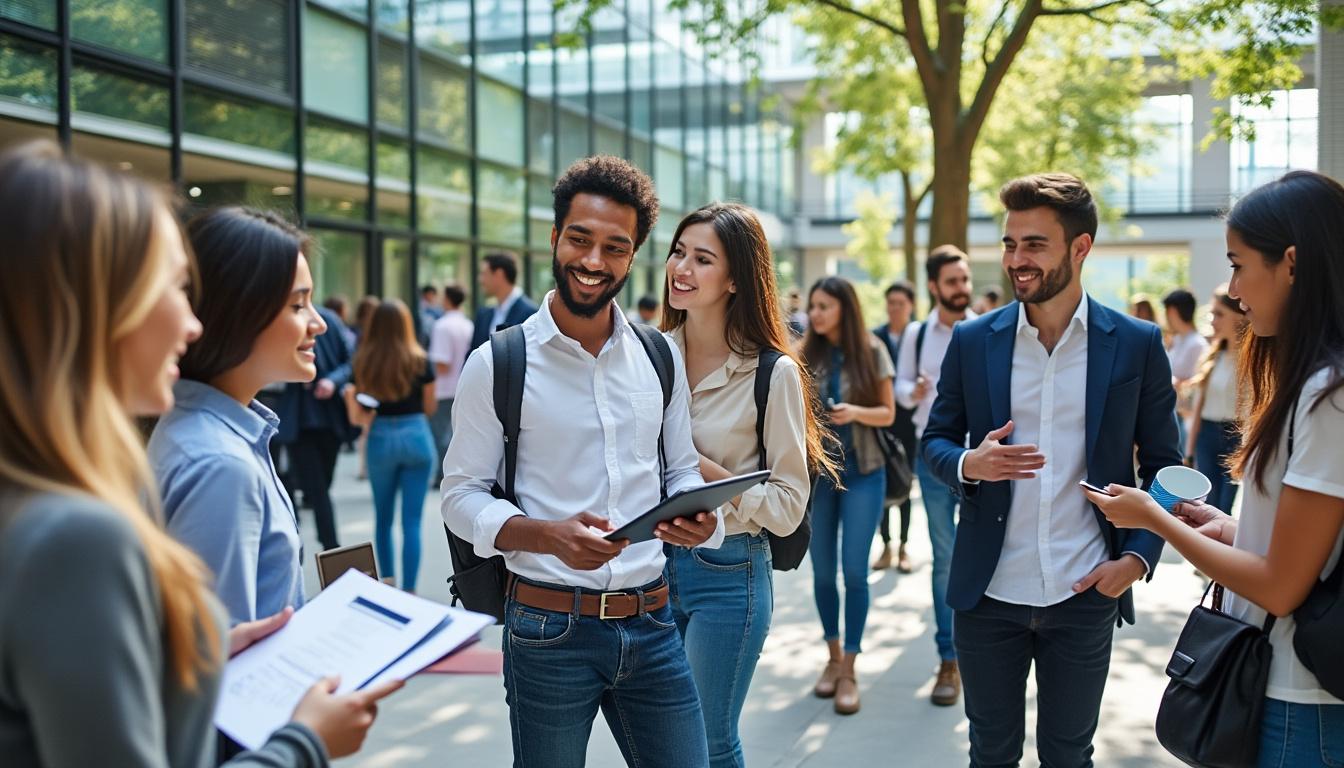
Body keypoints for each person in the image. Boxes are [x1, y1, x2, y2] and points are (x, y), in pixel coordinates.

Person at [0, 141, 400, 768]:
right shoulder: (76, 532)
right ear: (95, 309)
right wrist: (306, 744)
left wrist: (201, 653)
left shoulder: (48, 502)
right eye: (172, 288)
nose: (192, 323)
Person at [441, 155, 722, 767]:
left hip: (654, 623)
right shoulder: (499, 363)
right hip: (547, 631)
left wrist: (703, 521)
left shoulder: (658, 356)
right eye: (580, 239)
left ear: (634, 254)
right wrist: (544, 536)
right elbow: (459, 496)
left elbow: (679, 471)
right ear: (554, 238)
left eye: (614, 248)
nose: (594, 262)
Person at [1086, 169, 1344, 767]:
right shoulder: (1313, 381)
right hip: (1278, 686)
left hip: (1298, 701)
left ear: (1292, 263)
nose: (1233, 290)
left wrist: (1157, 521)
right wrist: (1221, 526)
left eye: (1238, 265)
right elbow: (1302, 551)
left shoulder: (1328, 393)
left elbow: (1281, 585)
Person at [922, 172, 1181, 767]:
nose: (1017, 260)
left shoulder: (1136, 344)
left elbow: (1166, 464)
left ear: (1080, 247)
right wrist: (970, 462)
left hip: (1084, 589)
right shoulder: (973, 340)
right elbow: (933, 441)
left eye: (1034, 245)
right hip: (987, 595)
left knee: (1068, 755)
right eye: (1011, 244)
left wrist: (1137, 559)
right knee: (990, 753)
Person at [661, 202, 833, 765]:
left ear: (735, 278)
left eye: (702, 259)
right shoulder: (646, 357)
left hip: (729, 574)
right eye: (678, 252)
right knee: (665, 744)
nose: (681, 269)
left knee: (709, 739)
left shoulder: (772, 372)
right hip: (649, 569)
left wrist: (709, 474)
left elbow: (787, 507)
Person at [149, 207, 324, 625]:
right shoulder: (221, 464)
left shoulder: (202, 431)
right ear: (241, 311)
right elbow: (220, 664)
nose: (318, 323)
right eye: (298, 305)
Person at [802, 276, 896, 715]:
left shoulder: (871, 350)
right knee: (822, 574)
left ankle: (851, 668)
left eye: (823, 306)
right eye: (813, 307)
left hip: (864, 474)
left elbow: (889, 412)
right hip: (821, 479)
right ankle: (833, 657)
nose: (815, 314)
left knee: (854, 573)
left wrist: (854, 411)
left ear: (844, 307)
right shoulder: (807, 353)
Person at [894, 244, 976, 706]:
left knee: (986, 552)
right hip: (934, 457)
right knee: (944, 556)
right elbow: (901, 389)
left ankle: (980, 648)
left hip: (982, 457)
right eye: (952, 282)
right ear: (934, 286)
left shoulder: (987, 327)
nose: (961, 289)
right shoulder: (918, 335)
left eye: (964, 280)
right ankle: (949, 658)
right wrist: (915, 388)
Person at [353, 299, 438, 593]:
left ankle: (387, 586)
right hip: (416, 434)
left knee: (383, 518)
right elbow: (429, 407)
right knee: (412, 521)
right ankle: (410, 590)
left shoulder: (364, 359)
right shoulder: (421, 360)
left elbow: (362, 408)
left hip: (380, 436)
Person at [275, 303, 356, 552]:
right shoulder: (284, 321)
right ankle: (331, 546)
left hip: (329, 419)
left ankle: (323, 542)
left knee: (322, 484)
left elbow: (350, 363)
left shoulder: (329, 320)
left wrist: (331, 382)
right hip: (299, 421)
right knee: (318, 487)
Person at [1185, 284, 1247, 513]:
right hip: (1207, 435)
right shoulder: (1211, 356)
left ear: (1240, 316)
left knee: (1224, 506)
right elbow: (1198, 408)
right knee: (1207, 505)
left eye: (1219, 314)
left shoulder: (1253, 358)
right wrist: (1189, 452)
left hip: (1237, 437)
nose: (1212, 320)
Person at [872, 280, 918, 574]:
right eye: (891, 303)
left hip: (910, 423)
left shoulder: (919, 336)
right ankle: (886, 545)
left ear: (911, 305)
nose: (895, 309)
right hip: (880, 422)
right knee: (881, 483)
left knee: (905, 482)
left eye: (900, 303)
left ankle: (903, 546)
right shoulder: (874, 338)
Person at [427, 283, 473, 485]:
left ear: (447, 299)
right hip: (464, 385)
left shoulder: (442, 325)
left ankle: (442, 476)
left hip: (444, 388)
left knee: (441, 434)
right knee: (457, 433)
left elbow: (442, 363)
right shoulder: (469, 324)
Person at [1165, 287, 1210, 448]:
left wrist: (1176, 381)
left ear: (1175, 311)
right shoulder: (1176, 340)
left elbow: (1199, 380)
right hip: (1173, 410)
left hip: (1187, 415)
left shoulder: (1197, 344)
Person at [469, 251, 539, 350]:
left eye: (484, 273)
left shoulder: (531, 314)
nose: (480, 279)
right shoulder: (483, 314)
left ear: (499, 274)